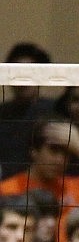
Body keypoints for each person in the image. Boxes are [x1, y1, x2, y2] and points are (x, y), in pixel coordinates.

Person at [0, 119, 79, 206]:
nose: (60, 160)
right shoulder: (6, 190)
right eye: (54, 150)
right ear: (34, 151)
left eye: (66, 153)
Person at [0, 42, 56, 180]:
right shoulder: (2, 113)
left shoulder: (55, 110)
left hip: (44, 189)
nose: (23, 80)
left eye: (29, 74)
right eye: (17, 74)